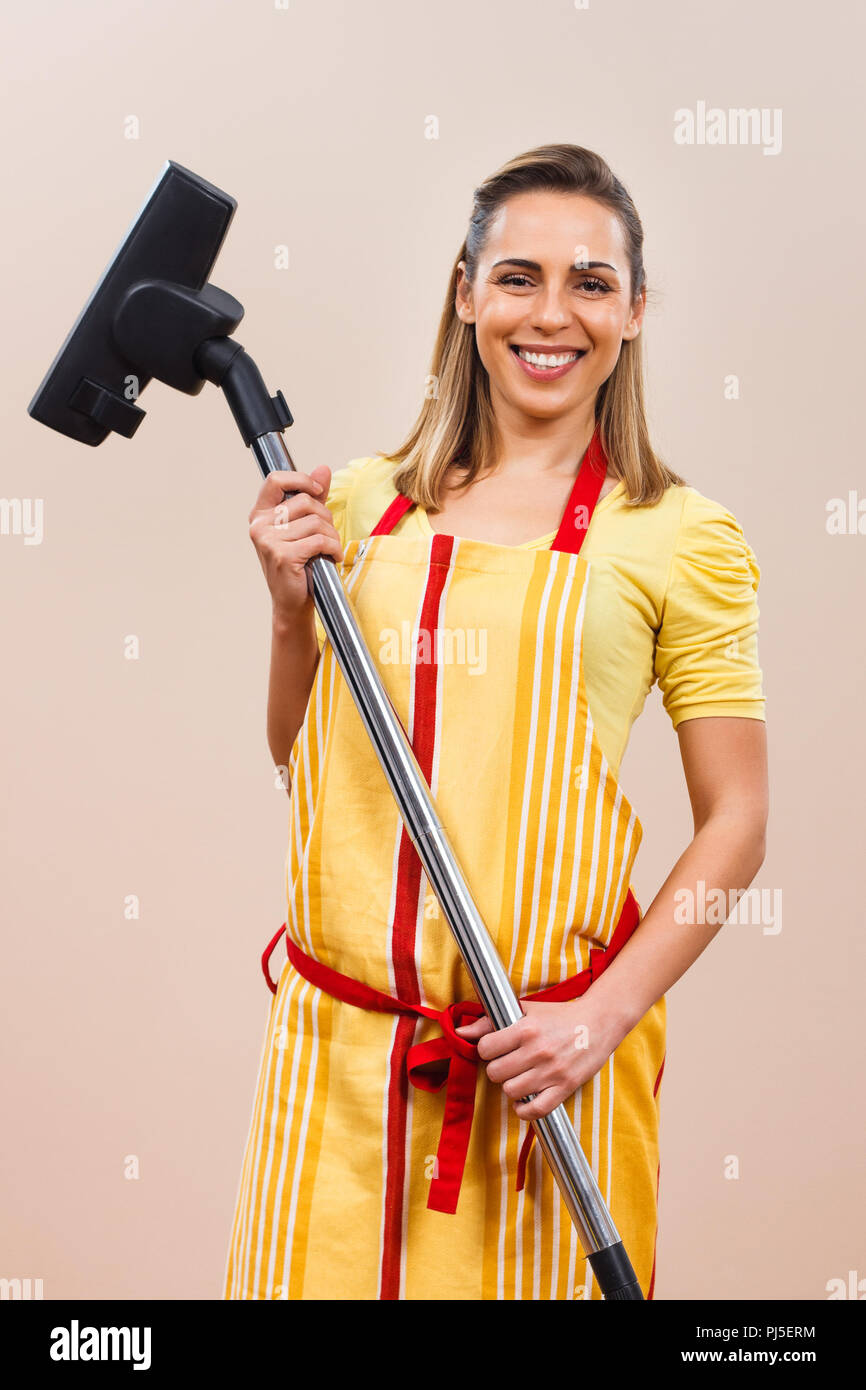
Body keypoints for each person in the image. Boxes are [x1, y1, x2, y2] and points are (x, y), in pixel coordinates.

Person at [222, 143, 768, 1301]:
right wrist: (285, 613)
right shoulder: (359, 502)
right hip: (338, 1056)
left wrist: (597, 1019)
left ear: (629, 312)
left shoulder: (678, 536)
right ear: (464, 293)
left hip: (535, 1073)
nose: (550, 313)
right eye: (516, 276)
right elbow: (298, 752)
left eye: (590, 282)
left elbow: (737, 823)